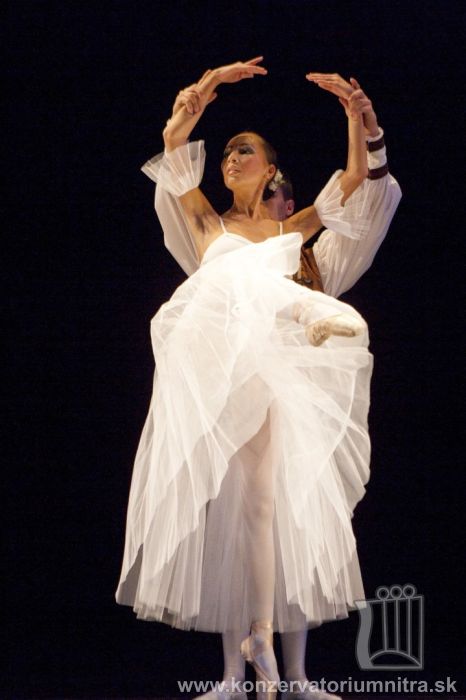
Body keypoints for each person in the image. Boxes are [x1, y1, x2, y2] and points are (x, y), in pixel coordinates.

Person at [116, 58, 381, 700]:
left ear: (269, 171)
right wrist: (200, 96)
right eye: (229, 152)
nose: (232, 158)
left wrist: (358, 119)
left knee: (263, 506)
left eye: (245, 151)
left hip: (272, 368)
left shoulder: (288, 228)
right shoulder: (209, 223)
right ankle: (238, 673)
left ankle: (268, 649)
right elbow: (174, 148)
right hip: (222, 364)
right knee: (238, 509)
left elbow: (353, 180)